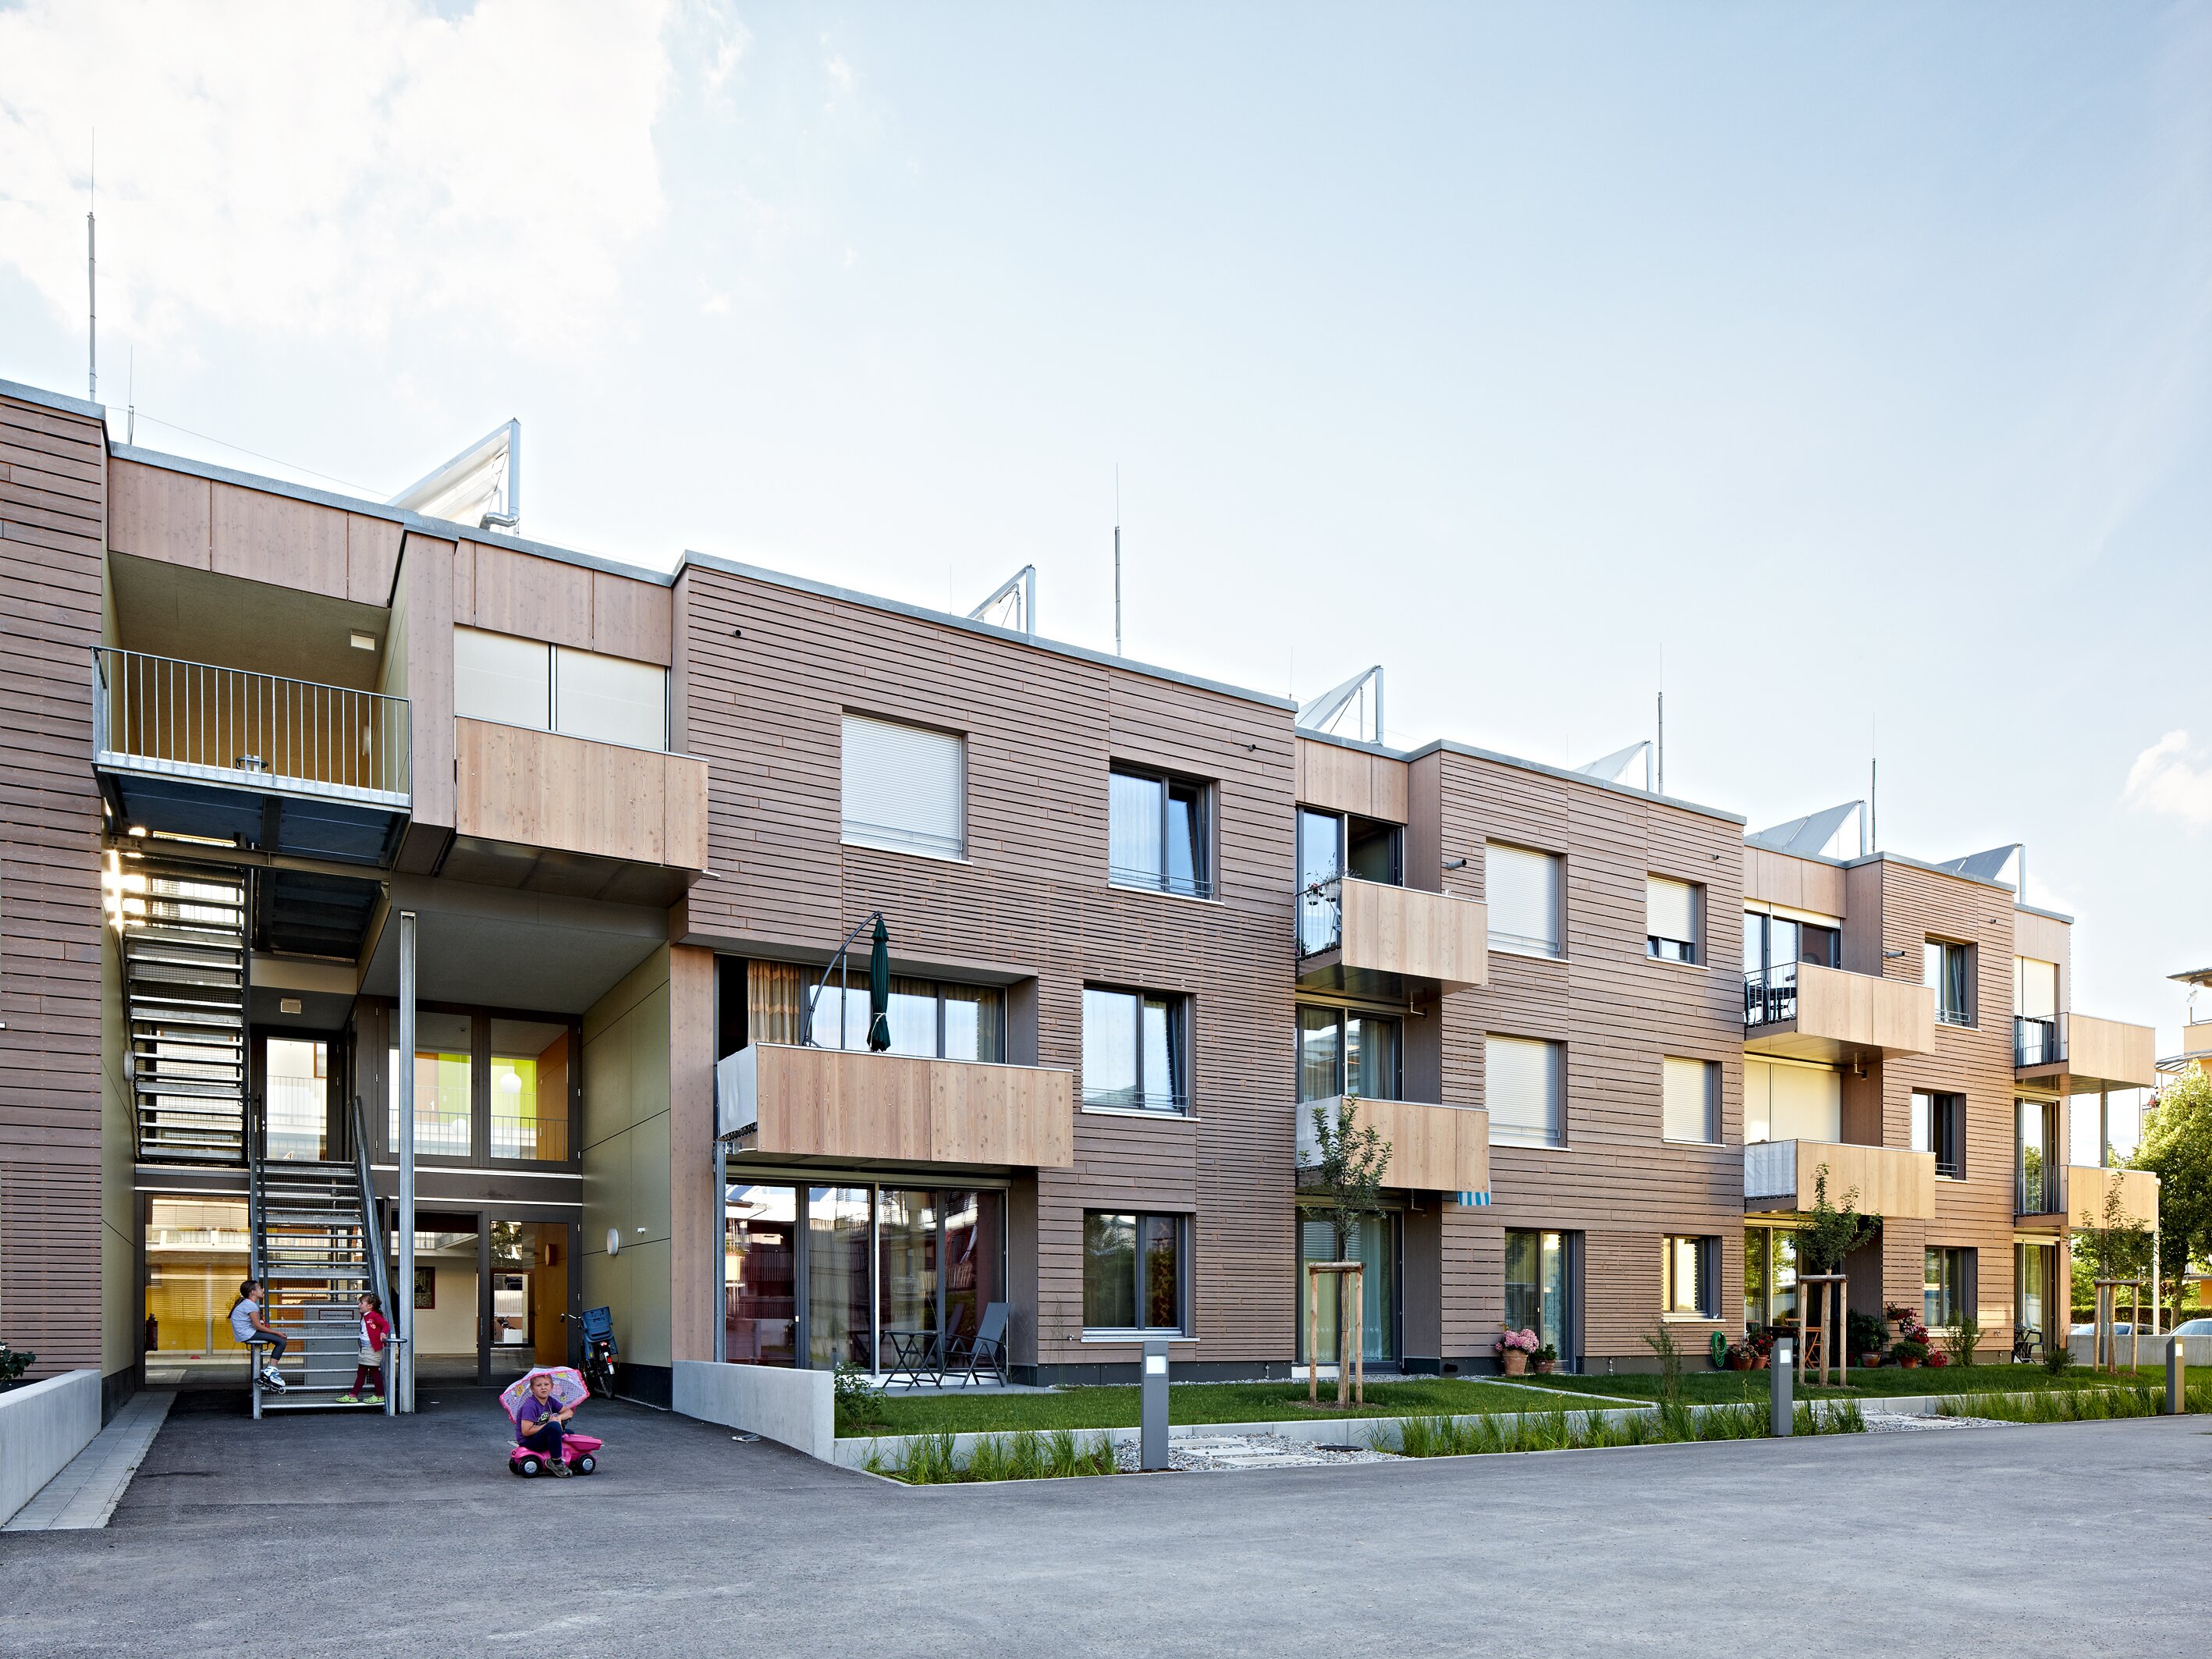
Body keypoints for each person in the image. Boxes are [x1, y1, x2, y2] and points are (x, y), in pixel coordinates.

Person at [229, 1280, 288, 1392]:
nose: (263, 1290)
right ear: (253, 1292)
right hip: (248, 1334)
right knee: (281, 1341)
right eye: (260, 1288)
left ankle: (271, 1370)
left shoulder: (247, 1304)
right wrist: (276, 1332)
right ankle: (270, 1371)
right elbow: (258, 1327)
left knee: (279, 1341)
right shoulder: (250, 1305)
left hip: (247, 1333)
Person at [513, 1372, 577, 1476]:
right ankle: (556, 1462)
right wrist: (549, 1423)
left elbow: (569, 1412)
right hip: (529, 1441)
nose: (543, 1388)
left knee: (568, 1433)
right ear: (533, 1389)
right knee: (554, 1427)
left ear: (552, 1387)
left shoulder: (549, 1401)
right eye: (539, 1385)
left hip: (540, 1436)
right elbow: (526, 1432)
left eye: (546, 1385)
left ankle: (562, 1455)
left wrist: (559, 1417)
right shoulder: (530, 1406)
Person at [339, 1291, 390, 1405]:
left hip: (372, 1349)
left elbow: (386, 1325)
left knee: (372, 1372)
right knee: (363, 1372)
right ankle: (354, 1395)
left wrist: (383, 1334)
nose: (359, 1305)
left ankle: (379, 1395)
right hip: (365, 1348)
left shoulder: (374, 1316)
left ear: (369, 1306)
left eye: (361, 1303)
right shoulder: (365, 1315)